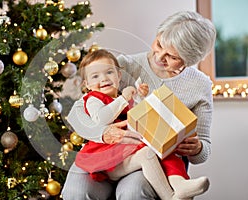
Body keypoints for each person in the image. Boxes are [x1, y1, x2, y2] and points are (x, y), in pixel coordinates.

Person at [62, 10, 216, 200]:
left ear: (190, 60)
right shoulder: (124, 66)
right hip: (104, 150)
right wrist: (102, 133)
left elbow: (204, 150)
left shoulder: (199, 85)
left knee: (133, 192)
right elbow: (76, 114)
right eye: (159, 44)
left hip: (157, 158)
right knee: (76, 191)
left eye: (172, 57)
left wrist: (197, 148)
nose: (159, 57)